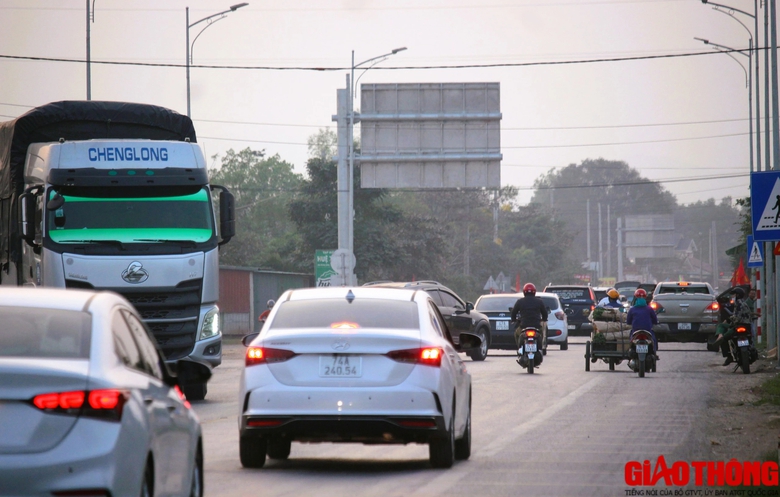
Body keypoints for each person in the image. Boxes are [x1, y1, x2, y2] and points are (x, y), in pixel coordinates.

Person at [714, 287, 752, 366]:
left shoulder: (738, 303)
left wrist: (728, 320)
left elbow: (737, 318)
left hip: (737, 327)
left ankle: (729, 356)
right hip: (747, 327)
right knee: (722, 326)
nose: (732, 297)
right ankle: (720, 336)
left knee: (724, 338)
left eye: (733, 295)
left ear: (737, 295)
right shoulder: (744, 303)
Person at [510, 283, 548, 353]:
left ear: (524, 292)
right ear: (534, 292)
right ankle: (540, 348)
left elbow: (514, 312)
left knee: (516, 333)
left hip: (524, 325)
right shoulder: (539, 301)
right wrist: (544, 319)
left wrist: (513, 320)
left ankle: (519, 348)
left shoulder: (520, 301)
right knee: (541, 333)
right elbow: (544, 313)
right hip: (536, 325)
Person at [626, 288, 659, 357]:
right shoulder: (649, 309)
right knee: (654, 339)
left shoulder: (632, 309)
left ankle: (630, 350)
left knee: (631, 338)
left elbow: (628, 321)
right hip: (648, 331)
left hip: (635, 331)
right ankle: (654, 352)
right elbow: (655, 320)